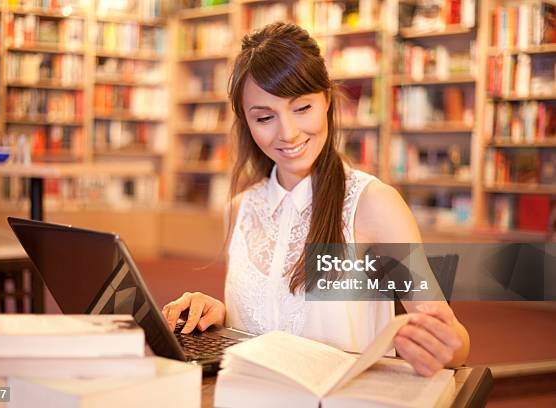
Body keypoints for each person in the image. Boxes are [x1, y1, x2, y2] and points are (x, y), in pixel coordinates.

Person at [162, 22, 470, 377]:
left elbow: (453, 340)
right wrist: (217, 314)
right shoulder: (240, 210)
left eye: (302, 108)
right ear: (246, 121)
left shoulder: (374, 205)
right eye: (264, 117)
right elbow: (263, 321)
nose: (288, 133)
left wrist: (445, 344)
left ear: (326, 99)